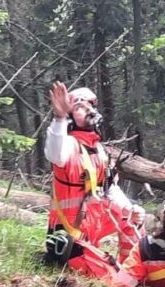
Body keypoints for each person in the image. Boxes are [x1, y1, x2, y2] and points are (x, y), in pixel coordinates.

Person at [44, 82, 145, 277]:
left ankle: (133, 268)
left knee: (133, 219)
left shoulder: (99, 150)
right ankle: (120, 273)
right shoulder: (69, 144)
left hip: (93, 225)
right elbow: (54, 153)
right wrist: (59, 118)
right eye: (79, 107)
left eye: (89, 105)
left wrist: (130, 210)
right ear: (70, 116)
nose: (87, 109)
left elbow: (108, 188)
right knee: (113, 277)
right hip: (70, 235)